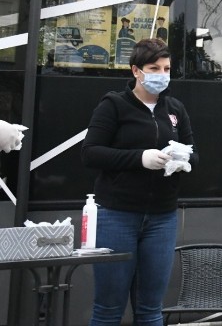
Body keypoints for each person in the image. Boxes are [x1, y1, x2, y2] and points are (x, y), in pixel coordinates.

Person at [81, 38, 197, 326]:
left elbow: (194, 151)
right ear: (136, 71)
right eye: (154, 68)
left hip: (162, 217)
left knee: (150, 310)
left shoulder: (175, 109)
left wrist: (182, 160)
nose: (162, 74)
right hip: (117, 215)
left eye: (167, 68)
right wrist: (140, 158)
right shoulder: (114, 105)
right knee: (109, 308)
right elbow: (90, 153)